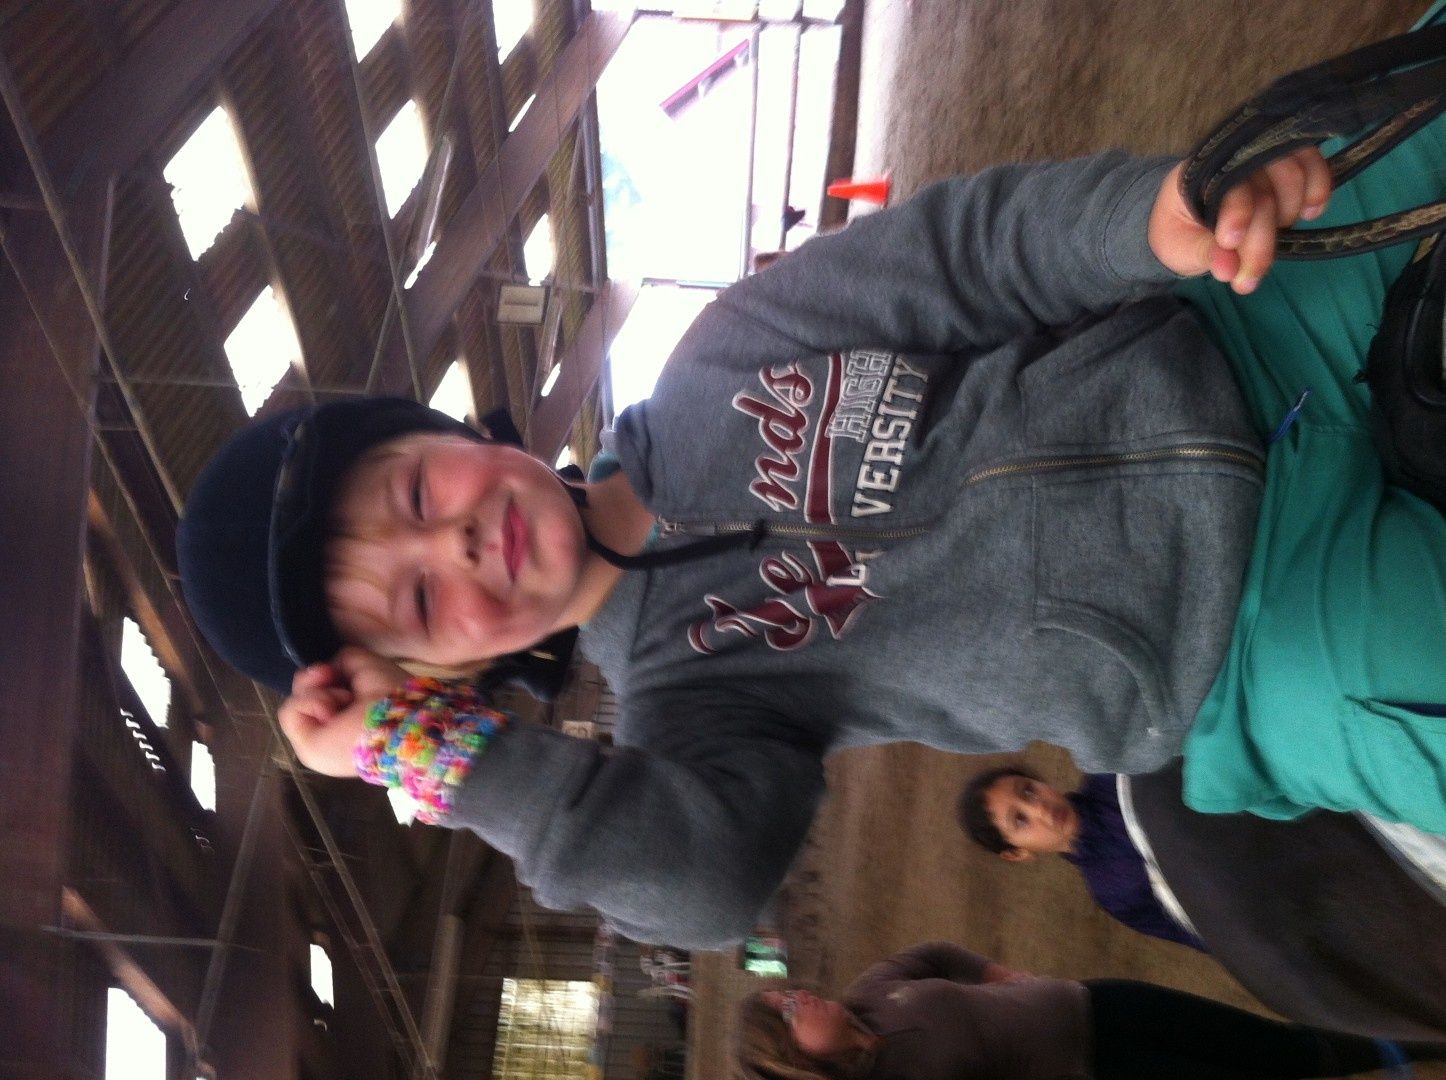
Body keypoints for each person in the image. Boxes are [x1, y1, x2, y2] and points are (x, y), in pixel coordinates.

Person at [177, 8, 1446, 949]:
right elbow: (706, 885)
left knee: (1410, 112)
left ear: (447, 432)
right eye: (416, 603)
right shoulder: (685, 702)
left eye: (413, 496)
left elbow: (965, 259)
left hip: (1236, 331)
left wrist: (1146, 219)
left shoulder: (720, 359)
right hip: (1240, 645)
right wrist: (421, 750)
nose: (452, 546)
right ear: (437, 674)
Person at [731, 940, 1433, 1080]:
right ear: (792, 1061)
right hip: (1107, 1068)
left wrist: (1004, 977)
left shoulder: (869, 993)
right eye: (787, 1011)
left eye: (785, 991)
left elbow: (934, 954)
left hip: (1099, 1001)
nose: (800, 995)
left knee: (1274, 1046)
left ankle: (1409, 1044)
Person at [957, 766, 1206, 951]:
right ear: (1017, 853)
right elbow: (1203, 933)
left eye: (1029, 790)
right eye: (1020, 820)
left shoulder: (1110, 773)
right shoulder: (1113, 892)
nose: (1040, 808)